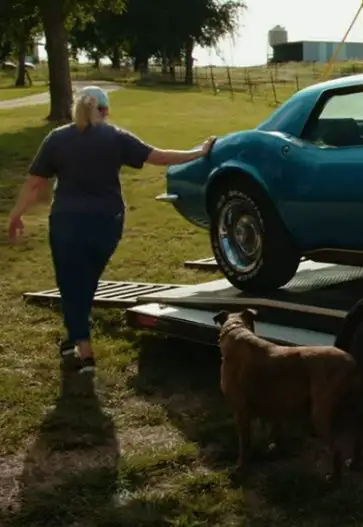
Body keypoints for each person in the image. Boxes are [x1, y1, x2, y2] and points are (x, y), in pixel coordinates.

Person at [5, 85, 216, 374]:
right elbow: (159, 157)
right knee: (85, 284)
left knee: (72, 285)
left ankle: (85, 351)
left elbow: (35, 183)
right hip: (107, 223)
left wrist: (16, 215)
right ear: (104, 111)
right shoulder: (115, 137)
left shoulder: (57, 138)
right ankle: (75, 342)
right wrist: (198, 152)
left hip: (67, 223)